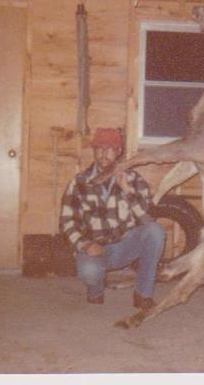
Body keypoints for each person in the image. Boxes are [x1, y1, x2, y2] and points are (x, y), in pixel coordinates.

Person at [59, 127, 165, 309]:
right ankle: (96, 288)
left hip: (125, 246)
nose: (103, 153)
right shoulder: (79, 182)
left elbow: (147, 219)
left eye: (109, 148)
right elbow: (67, 221)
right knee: (90, 271)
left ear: (118, 151)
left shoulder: (134, 179)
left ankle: (143, 294)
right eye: (99, 148)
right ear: (94, 151)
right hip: (95, 248)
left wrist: (127, 190)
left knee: (156, 231)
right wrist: (85, 245)